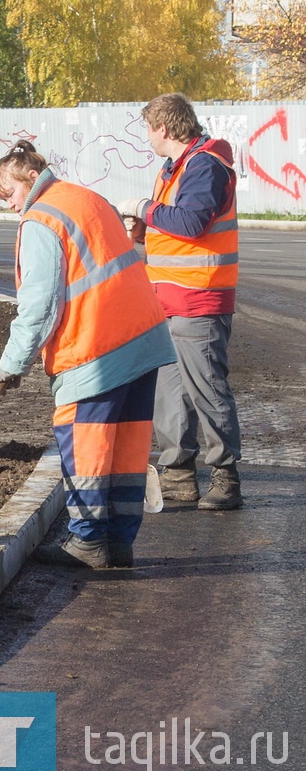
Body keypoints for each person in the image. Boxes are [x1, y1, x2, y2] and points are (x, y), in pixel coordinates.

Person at [0, 141, 175, 568]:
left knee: (86, 448)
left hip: (95, 350)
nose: (11, 206)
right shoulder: (88, 198)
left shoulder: (42, 219)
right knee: (127, 448)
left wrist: (12, 364)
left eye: (9, 194)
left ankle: (88, 543)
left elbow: (40, 306)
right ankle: (119, 544)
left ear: (28, 177)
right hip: (142, 340)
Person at [117, 93, 242, 510]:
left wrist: (143, 208)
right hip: (169, 300)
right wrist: (143, 231)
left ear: (164, 129)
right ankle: (178, 475)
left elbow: (190, 222)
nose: (147, 138)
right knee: (168, 395)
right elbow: (175, 229)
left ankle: (225, 479)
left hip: (200, 300)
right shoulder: (176, 168)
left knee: (207, 391)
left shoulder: (204, 164)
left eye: (148, 129)